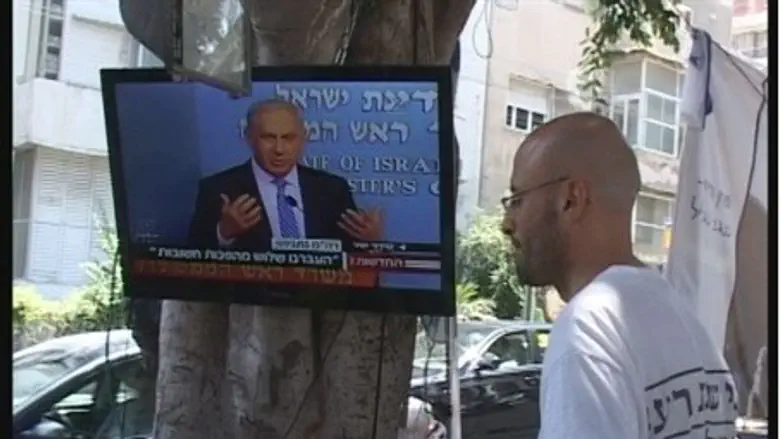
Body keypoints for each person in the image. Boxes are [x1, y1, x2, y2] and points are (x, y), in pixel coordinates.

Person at [501, 112, 738, 439]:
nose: (507, 224)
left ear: (571, 200)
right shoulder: (689, 329)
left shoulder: (587, 333)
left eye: (517, 200)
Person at [188, 98, 382, 250]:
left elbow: (351, 261)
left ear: (303, 138)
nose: (279, 149)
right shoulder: (218, 189)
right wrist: (224, 232)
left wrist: (369, 243)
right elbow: (190, 261)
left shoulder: (332, 189)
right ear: (249, 137)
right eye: (269, 138)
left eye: (288, 138)